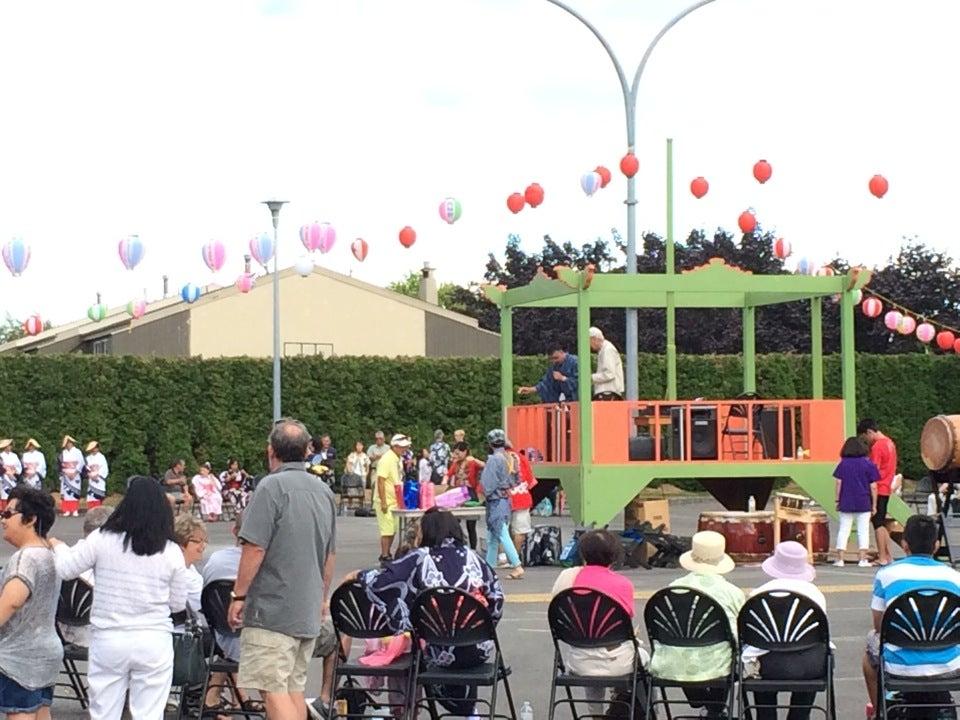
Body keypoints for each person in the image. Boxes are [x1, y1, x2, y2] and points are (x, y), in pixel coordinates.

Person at [51, 476, 189, 720]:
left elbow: (66, 569)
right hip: (153, 639)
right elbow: (177, 604)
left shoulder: (102, 538)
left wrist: (60, 547)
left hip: (109, 638)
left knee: (104, 712)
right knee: (148, 714)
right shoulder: (171, 551)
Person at [227, 418, 337, 720]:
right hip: (306, 608)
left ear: (270, 450)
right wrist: (321, 597)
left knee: (272, 689)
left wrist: (239, 595)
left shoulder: (270, 486)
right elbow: (330, 555)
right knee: (293, 687)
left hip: (272, 609)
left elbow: (255, 547)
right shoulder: (324, 492)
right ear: (307, 451)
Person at [351, 508, 504, 717]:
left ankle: (412, 710)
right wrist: (482, 630)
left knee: (423, 645)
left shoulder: (420, 558)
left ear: (429, 531)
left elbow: (384, 581)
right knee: (459, 636)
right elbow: (497, 600)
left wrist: (359, 575)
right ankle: (468, 709)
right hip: (478, 650)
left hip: (437, 653)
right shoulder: (475, 558)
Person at [862, 514, 960, 714]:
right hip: (948, 664)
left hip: (900, 665)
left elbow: (880, 626)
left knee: (869, 648)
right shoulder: (954, 577)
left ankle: (880, 709)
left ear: (905, 544)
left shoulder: (886, 574)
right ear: (936, 545)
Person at [648, 530, 744, 719]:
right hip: (716, 663)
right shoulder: (732, 592)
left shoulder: (673, 588)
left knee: (687, 648)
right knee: (726, 650)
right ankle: (716, 709)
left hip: (673, 663)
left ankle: (706, 703)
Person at [551, 529, 645, 716]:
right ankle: (628, 708)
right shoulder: (623, 584)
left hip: (578, 661)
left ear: (583, 553)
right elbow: (622, 624)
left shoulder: (566, 578)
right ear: (615, 556)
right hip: (616, 661)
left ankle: (596, 714)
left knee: (589, 644)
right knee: (643, 661)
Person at [742, 541, 827, 720]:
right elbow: (822, 636)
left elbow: (748, 636)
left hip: (766, 667)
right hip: (808, 666)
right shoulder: (815, 594)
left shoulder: (758, 594)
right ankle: (800, 715)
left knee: (758, 658)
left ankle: (765, 716)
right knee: (815, 653)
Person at [0, 486, 61, 720]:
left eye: (8, 514)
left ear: (30, 519)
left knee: (20, 715)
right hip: (46, 652)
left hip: (20, 657)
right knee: (41, 714)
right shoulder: (50, 552)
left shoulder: (25, 558)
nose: (3, 520)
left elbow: (13, 601)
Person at [57, 506, 113, 650]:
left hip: (59, 634)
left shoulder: (62, 556)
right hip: (98, 637)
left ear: (84, 529)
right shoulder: (111, 563)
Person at [480, 429, 523, 580]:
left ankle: (517, 565)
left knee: (502, 533)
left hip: (495, 500)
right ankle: (488, 568)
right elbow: (518, 479)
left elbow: (487, 484)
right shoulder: (511, 458)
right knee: (493, 537)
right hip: (506, 499)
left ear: (490, 443)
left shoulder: (493, 459)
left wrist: (484, 494)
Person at [833, 436, 880, 568]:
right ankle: (862, 559)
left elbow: (838, 482)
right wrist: (874, 504)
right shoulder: (869, 464)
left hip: (846, 500)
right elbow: (874, 486)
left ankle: (840, 559)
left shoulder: (843, 464)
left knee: (844, 529)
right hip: (863, 500)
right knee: (863, 530)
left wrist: (837, 499)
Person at [858, 418, 897, 566]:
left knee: (878, 523)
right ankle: (888, 555)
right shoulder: (890, 443)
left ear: (869, 432)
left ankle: (882, 557)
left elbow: (872, 470)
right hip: (886, 485)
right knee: (881, 520)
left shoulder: (877, 447)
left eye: (865, 437)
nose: (867, 440)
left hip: (878, 487)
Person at [374, 434, 409, 563]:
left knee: (393, 529)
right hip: (386, 500)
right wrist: (383, 501)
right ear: (395, 446)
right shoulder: (387, 459)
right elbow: (381, 480)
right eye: (401, 447)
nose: (404, 449)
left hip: (394, 499)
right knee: (387, 530)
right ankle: (384, 555)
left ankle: (387, 552)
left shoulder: (396, 458)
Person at [446, 441, 484, 550]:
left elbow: (485, 465)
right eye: (454, 453)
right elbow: (448, 474)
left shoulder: (472, 462)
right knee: (454, 522)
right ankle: (458, 545)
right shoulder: (456, 463)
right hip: (458, 494)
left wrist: (474, 459)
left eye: (458, 453)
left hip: (471, 493)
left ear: (465, 452)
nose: (455, 456)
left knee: (471, 526)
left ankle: (473, 549)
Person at [506, 440, 536, 558]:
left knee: (502, 531)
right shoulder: (522, 458)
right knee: (520, 530)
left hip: (503, 497)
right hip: (522, 496)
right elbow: (530, 480)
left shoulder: (497, 458)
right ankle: (515, 558)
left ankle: (503, 557)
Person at [588, 327, 624, 400]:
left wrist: (591, 377)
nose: (589, 346)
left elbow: (609, 374)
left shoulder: (607, 350)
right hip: (608, 392)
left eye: (589, 342)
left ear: (594, 339)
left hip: (608, 392)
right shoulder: (605, 349)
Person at [58, 435, 84, 517]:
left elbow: (81, 462)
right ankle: (67, 510)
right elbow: (60, 464)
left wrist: (75, 472)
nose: (68, 445)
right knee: (66, 493)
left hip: (75, 474)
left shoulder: (77, 451)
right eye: (66, 443)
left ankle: (75, 510)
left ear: (72, 443)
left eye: (69, 443)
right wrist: (64, 472)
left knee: (74, 492)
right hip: (66, 474)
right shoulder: (63, 453)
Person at [84, 440, 109, 510]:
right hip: (91, 479)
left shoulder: (102, 457)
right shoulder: (88, 458)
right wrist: (89, 474)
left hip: (99, 479)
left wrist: (97, 475)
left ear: (98, 448)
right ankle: (91, 511)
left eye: (95, 448)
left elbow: (104, 468)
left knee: (98, 496)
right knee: (91, 496)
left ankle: (98, 511)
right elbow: (86, 468)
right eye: (93, 448)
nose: (94, 450)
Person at [0, 440, 20, 512]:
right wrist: (5, 471)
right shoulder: (1, 455)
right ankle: (4, 511)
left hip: (13, 476)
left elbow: (18, 466)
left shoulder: (14, 455)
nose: (9, 447)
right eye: (8, 445)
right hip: (4, 477)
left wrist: (15, 471)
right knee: (4, 494)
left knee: (13, 493)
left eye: (10, 445)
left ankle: (12, 509)